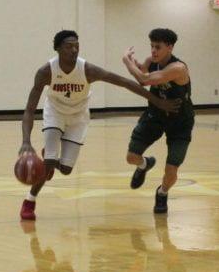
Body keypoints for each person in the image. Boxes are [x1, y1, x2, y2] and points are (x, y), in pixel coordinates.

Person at [18, 30, 180, 220]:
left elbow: (124, 82)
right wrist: (26, 141)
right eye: (69, 46)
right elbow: (29, 109)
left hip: (78, 117)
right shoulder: (46, 72)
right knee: (48, 163)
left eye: (77, 45)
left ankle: (52, 161)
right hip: (55, 114)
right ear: (58, 49)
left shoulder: (87, 70)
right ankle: (29, 202)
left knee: (67, 170)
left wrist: (157, 101)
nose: (74, 50)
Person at [122, 28, 195, 214]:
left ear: (170, 47)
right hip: (155, 115)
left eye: (158, 47)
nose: (153, 51)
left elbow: (144, 80)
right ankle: (144, 164)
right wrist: (138, 65)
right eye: (152, 46)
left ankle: (162, 193)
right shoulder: (151, 61)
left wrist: (127, 62)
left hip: (180, 121)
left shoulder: (178, 68)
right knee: (131, 157)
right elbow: (143, 77)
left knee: (171, 170)